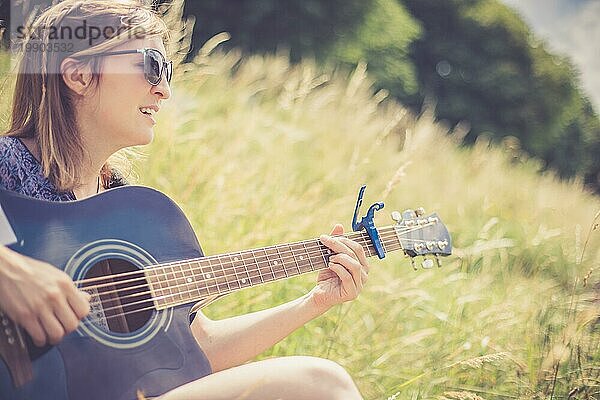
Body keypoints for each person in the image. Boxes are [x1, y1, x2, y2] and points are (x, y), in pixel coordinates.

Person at [0, 1, 369, 399]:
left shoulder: (127, 210)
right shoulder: (8, 166)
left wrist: (313, 302)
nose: (164, 89)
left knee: (318, 385)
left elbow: (199, 347)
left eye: (167, 71)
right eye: (151, 65)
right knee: (321, 382)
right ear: (78, 74)